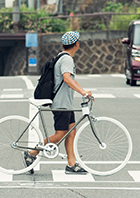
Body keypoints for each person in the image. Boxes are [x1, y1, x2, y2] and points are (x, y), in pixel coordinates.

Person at [26, 31, 93, 174]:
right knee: (60, 134)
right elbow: (67, 79)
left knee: (71, 131)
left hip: (66, 103)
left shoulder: (62, 57)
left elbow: (71, 80)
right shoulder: (67, 59)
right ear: (76, 44)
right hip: (61, 103)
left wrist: (83, 90)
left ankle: (71, 164)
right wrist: (82, 92)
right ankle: (32, 153)